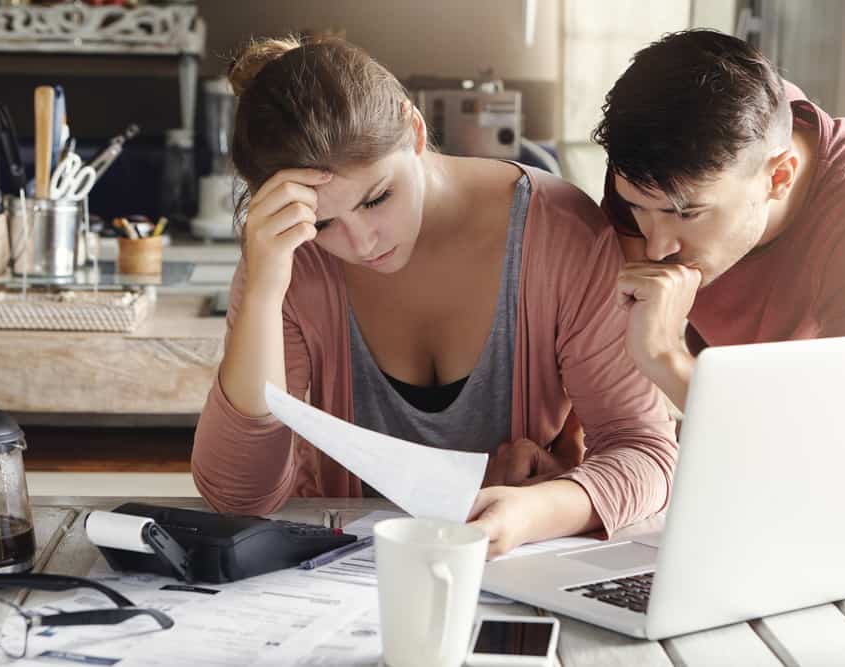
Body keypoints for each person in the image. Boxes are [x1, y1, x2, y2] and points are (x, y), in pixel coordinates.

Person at [191, 35, 677, 557]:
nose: (361, 242)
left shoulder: (560, 233)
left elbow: (644, 451)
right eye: (325, 221)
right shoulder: (291, 254)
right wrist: (264, 290)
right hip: (336, 579)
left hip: (512, 566)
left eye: (377, 198)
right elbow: (238, 495)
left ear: (415, 130)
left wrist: (537, 511)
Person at [593, 29, 845, 411]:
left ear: (778, 177)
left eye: (687, 214)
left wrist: (665, 356)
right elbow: (599, 333)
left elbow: (843, 437)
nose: (657, 248)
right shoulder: (654, 169)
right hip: (727, 399)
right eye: (636, 209)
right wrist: (569, 447)